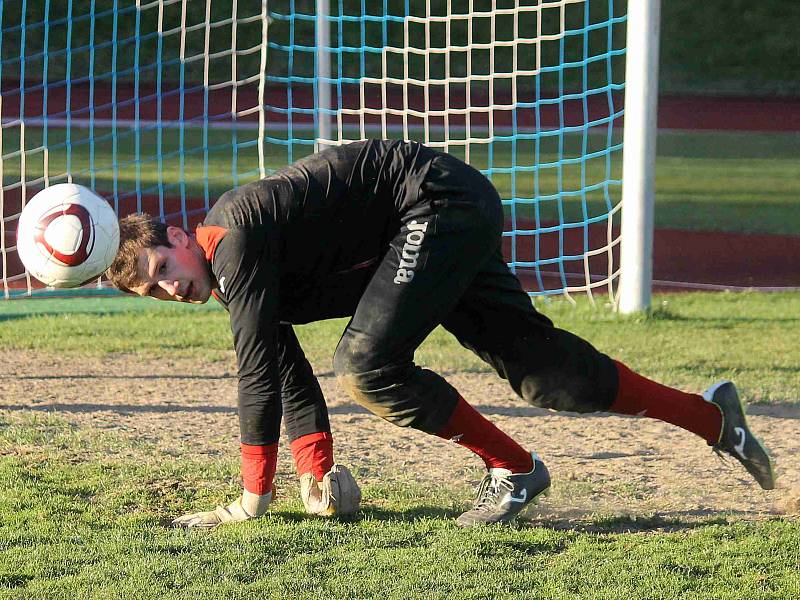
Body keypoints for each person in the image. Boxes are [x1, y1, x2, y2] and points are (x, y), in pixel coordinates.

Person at [106, 139, 776, 528]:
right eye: (151, 290)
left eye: (162, 268)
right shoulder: (236, 279)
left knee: (366, 364)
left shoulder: (232, 235)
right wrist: (315, 475)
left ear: (175, 236)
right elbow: (282, 367)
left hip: (436, 204)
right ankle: (716, 420)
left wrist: (252, 498)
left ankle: (515, 471)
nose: (169, 287)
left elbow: (255, 374)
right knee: (551, 378)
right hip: (434, 224)